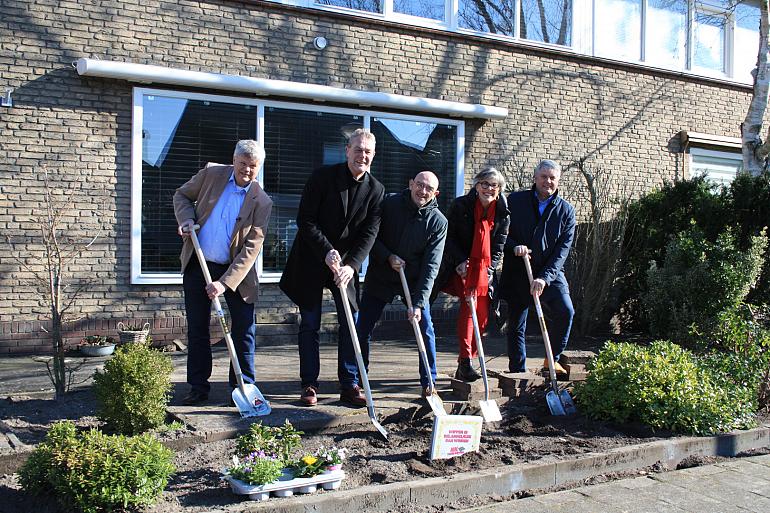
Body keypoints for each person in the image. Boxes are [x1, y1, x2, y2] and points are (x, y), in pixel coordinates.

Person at [280, 128, 385, 407]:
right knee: (310, 324)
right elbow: (306, 220)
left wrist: (352, 265)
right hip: (312, 260)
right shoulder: (322, 177)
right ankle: (309, 385)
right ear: (347, 150)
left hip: (345, 268)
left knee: (351, 324)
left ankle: (349, 383)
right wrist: (327, 251)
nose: (362, 155)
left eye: (368, 151)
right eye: (358, 149)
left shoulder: (376, 190)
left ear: (373, 155)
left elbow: (370, 233)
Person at [173, 139, 273, 406]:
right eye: (243, 164)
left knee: (243, 328)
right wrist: (186, 219)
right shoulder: (212, 174)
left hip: (236, 275)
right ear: (234, 160)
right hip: (200, 263)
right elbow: (181, 195)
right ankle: (197, 387)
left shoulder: (261, 201)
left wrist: (224, 283)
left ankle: (242, 387)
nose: (247, 171)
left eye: (253, 167)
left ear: (259, 167)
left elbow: (252, 248)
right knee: (198, 328)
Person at [355, 171, 447, 398]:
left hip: (415, 281)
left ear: (436, 193)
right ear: (410, 183)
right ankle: (358, 379)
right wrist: (388, 256)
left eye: (428, 188)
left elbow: (431, 266)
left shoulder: (438, 222)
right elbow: (370, 236)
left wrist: (418, 302)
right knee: (363, 326)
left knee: (424, 328)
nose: (422, 191)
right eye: (419, 185)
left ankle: (429, 381)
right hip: (382, 275)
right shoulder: (389, 204)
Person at [431, 168, 510, 382]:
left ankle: (470, 359)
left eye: (494, 185)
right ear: (476, 185)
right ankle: (465, 362)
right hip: (459, 265)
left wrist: (490, 269)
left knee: (482, 314)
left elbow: (498, 247)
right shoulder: (461, 205)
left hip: (483, 268)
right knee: (470, 306)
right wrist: (460, 261)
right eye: (484, 183)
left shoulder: (503, 213)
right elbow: (448, 237)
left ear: (499, 189)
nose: (489, 188)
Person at [498, 159, 576, 375]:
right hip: (518, 270)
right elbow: (500, 233)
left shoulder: (566, 211)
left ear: (558, 180)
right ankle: (517, 371)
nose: (548, 181)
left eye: (552, 178)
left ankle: (553, 360)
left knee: (566, 311)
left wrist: (545, 278)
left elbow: (563, 250)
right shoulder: (514, 201)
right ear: (535, 178)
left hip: (550, 272)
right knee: (517, 324)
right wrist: (514, 247)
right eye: (544, 177)